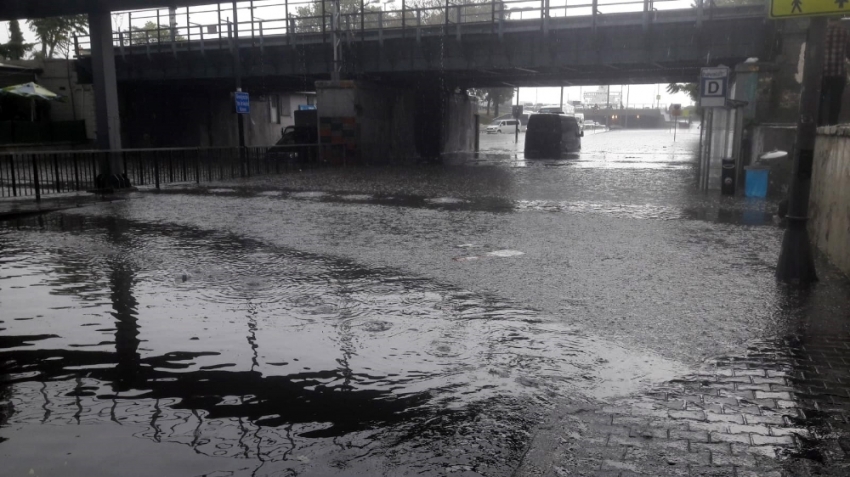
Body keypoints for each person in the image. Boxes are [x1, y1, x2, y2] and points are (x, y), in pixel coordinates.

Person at [821, 18, 850, 126]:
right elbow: (849, 52)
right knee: (835, 100)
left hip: (822, 73)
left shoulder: (821, 31)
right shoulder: (844, 32)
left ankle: (818, 124)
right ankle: (832, 124)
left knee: (820, 99)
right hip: (838, 72)